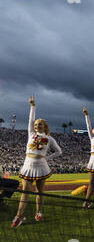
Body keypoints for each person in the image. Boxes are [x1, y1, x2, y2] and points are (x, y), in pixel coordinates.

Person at [11, 96, 62, 228]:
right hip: (28, 164)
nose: (36, 126)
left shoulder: (49, 138)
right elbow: (30, 120)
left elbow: (59, 152)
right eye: (35, 124)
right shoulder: (31, 134)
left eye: (39, 124)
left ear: (44, 126)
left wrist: (46, 158)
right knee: (25, 192)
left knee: (40, 192)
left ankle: (39, 212)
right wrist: (33, 106)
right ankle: (19, 216)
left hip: (41, 166)